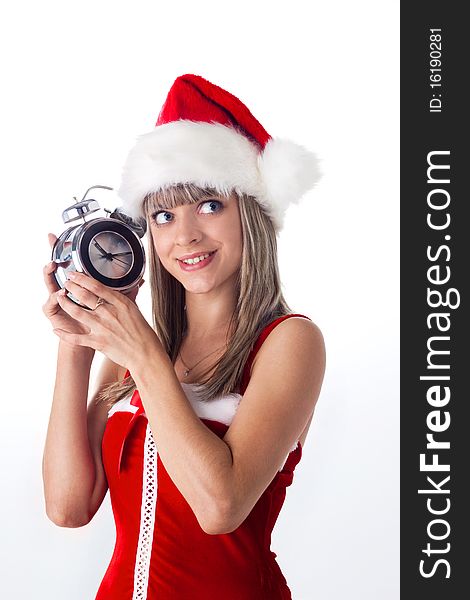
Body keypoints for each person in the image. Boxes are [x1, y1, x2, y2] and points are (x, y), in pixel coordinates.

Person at [42, 74, 326, 599]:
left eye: (210, 206)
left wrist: (146, 360)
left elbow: (221, 507)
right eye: (164, 215)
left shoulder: (289, 343)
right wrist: (76, 346)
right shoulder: (133, 352)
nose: (186, 235)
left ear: (252, 213)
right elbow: (67, 507)